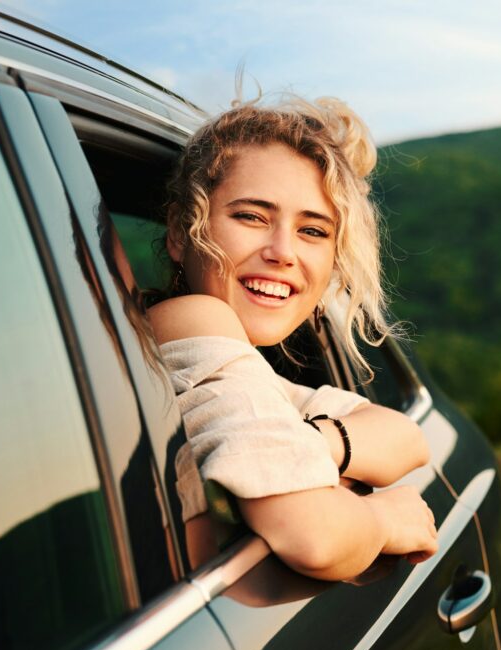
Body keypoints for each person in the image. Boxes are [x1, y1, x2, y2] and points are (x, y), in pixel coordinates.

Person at [147, 94, 438, 582]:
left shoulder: (237, 367)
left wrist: (304, 441)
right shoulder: (190, 322)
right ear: (181, 231)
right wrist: (386, 518)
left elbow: (407, 439)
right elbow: (315, 538)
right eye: (252, 217)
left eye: (313, 231)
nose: (283, 252)